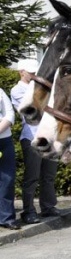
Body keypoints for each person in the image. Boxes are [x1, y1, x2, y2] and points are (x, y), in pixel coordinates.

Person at [11, 59, 60, 224]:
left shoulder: (43, 87)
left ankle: (48, 207)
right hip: (31, 137)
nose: (34, 75)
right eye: (31, 72)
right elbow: (34, 111)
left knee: (49, 175)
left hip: (49, 137)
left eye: (35, 72)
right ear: (21, 72)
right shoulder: (17, 90)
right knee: (32, 176)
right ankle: (28, 211)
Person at [0, 87, 20, 230]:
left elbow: (10, 115)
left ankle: (6, 218)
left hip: (4, 141)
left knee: (7, 180)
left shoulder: (0, 92)